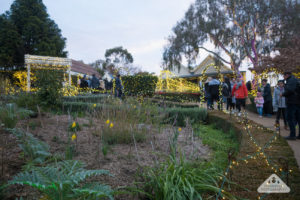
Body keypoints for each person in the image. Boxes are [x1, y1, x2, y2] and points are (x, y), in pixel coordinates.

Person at [282, 72, 300, 140]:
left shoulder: (291, 80)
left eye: (283, 76)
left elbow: (290, 90)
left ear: (287, 75)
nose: (283, 77)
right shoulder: (296, 79)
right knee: (298, 119)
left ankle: (292, 135)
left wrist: (283, 94)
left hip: (292, 102)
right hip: (298, 102)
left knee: (290, 118)